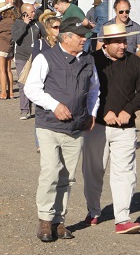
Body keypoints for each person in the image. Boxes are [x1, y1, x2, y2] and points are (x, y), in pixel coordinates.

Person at [24, 18, 99, 242]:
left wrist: (92, 113)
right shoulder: (45, 58)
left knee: (68, 176)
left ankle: (59, 220)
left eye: (85, 36)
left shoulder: (88, 60)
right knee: (51, 172)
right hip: (49, 125)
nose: (84, 40)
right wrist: (54, 105)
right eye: (80, 36)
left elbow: (95, 89)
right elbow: (31, 88)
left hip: (76, 126)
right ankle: (45, 220)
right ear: (66, 38)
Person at [82, 23, 140, 234]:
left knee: (125, 172)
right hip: (97, 127)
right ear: (105, 43)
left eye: (125, 41)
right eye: (119, 42)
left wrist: (128, 110)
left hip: (125, 127)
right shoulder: (92, 61)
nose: (123, 45)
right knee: (94, 171)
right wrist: (103, 112)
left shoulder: (134, 62)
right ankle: (93, 211)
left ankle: (122, 217)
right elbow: (84, 91)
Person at [12, 2, 45, 120]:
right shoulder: (17, 24)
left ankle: (39, 110)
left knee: (38, 83)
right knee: (23, 84)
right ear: (24, 13)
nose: (34, 13)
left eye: (34, 11)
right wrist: (24, 25)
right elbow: (15, 38)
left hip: (36, 58)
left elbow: (46, 37)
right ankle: (24, 110)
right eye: (31, 11)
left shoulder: (37, 24)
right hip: (22, 58)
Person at [0, 4, 17, 99]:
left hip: (1, 47)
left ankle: (3, 93)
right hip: (9, 46)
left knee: (2, 71)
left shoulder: (5, 22)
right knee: (8, 70)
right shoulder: (14, 21)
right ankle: (10, 92)